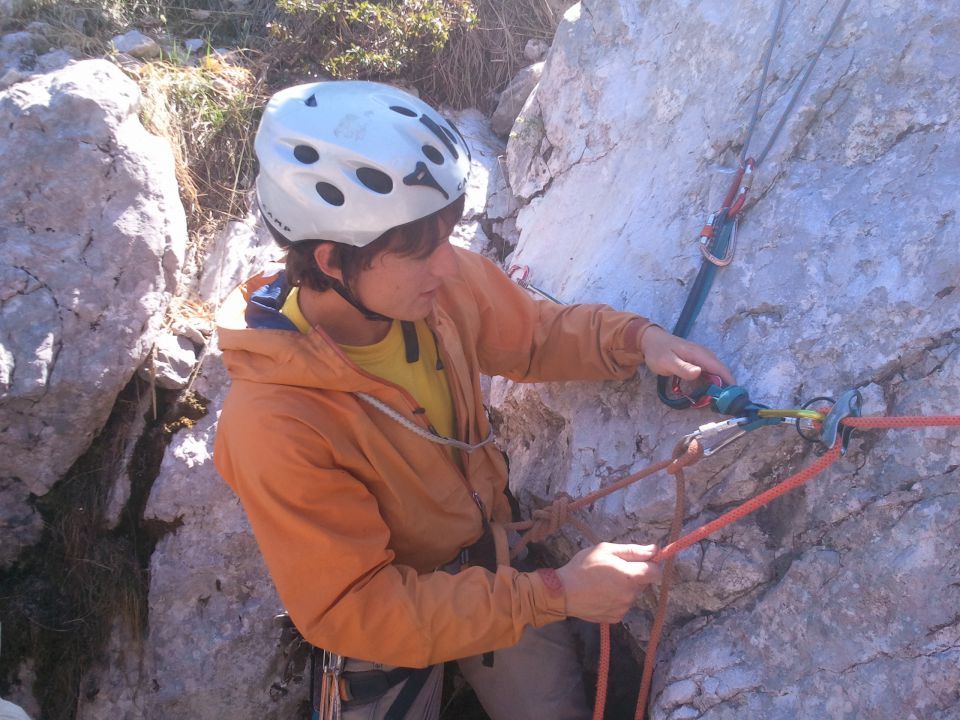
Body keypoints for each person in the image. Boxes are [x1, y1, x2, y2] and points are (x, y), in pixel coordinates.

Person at [213, 80, 733, 719]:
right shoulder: (274, 423)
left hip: (486, 564)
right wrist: (554, 595)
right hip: (382, 619)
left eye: (444, 239)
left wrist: (637, 339)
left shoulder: (432, 290)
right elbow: (357, 607)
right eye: (420, 251)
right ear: (332, 259)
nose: (448, 265)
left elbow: (535, 335)